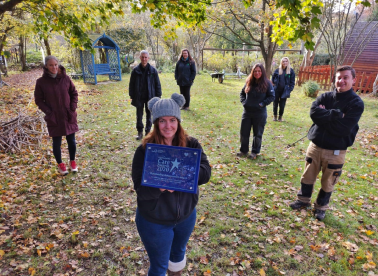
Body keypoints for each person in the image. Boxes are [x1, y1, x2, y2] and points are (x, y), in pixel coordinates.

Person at [132, 93, 211, 276]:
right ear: (155, 123)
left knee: (177, 258)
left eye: (173, 120)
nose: (168, 126)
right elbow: (140, 190)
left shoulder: (191, 145)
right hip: (154, 221)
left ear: (179, 121)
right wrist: (159, 185)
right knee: (159, 267)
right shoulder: (145, 151)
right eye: (162, 121)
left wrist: (183, 174)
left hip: (185, 217)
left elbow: (206, 172)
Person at [289, 66, 364, 221]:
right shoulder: (325, 97)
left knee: (328, 181)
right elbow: (314, 113)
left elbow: (343, 129)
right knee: (307, 175)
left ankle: (321, 207)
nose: (341, 81)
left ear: (353, 80)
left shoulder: (356, 103)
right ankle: (303, 200)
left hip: (336, 151)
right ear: (334, 79)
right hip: (315, 146)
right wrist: (336, 115)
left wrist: (324, 119)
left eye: (345, 77)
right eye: (339, 77)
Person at [34, 55, 79, 175]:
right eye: (51, 65)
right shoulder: (41, 82)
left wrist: (72, 107)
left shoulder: (66, 79)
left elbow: (74, 93)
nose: (54, 67)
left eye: (55, 64)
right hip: (54, 117)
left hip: (68, 114)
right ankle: (60, 164)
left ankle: (72, 161)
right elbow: (38, 100)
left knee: (72, 140)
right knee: (57, 142)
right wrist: (49, 111)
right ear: (46, 66)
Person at [237, 63, 275, 159]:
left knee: (257, 134)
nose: (257, 73)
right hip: (247, 112)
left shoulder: (267, 83)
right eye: (255, 71)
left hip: (259, 113)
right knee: (244, 132)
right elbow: (242, 93)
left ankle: (254, 152)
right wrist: (244, 102)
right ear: (252, 72)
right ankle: (244, 150)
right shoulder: (249, 81)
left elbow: (271, 96)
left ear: (262, 72)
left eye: (259, 71)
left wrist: (262, 104)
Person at [129, 50, 162, 140]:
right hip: (139, 96)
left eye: (145, 57)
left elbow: (157, 84)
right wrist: (131, 95)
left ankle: (148, 132)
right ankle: (140, 132)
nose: (144, 59)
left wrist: (158, 96)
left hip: (150, 97)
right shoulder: (135, 71)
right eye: (142, 57)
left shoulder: (153, 71)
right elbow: (131, 84)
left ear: (148, 58)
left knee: (149, 116)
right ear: (140, 58)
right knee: (139, 115)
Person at [271, 57, 295, 122]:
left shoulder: (291, 71)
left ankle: (280, 117)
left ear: (288, 62)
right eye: (283, 61)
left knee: (282, 104)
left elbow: (292, 83)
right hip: (276, 90)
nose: (285, 63)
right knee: (275, 103)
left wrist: (289, 90)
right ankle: (275, 116)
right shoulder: (277, 70)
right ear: (281, 62)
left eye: (286, 61)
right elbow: (272, 80)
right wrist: (273, 87)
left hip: (285, 91)